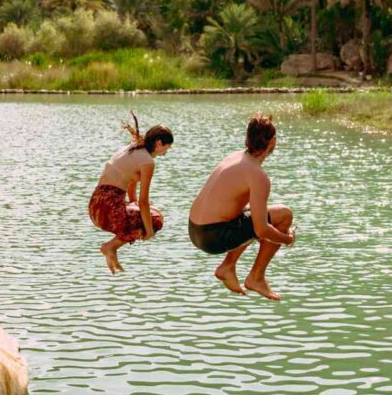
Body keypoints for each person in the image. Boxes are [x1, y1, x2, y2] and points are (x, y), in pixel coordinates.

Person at [188, 113, 294, 301]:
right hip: (212, 237)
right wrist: (286, 239)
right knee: (284, 216)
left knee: (259, 216)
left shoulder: (235, 156)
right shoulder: (258, 176)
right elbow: (261, 229)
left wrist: (263, 232)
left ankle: (228, 267)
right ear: (272, 142)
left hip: (194, 229)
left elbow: (238, 206)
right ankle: (256, 277)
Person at [89, 113, 173, 274]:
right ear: (159, 143)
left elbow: (132, 186)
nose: (165, 153)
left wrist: (132, 202)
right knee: (156, 219)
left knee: (145, 213)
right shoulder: (148, 162)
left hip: (96, 207)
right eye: (166, 148)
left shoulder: (132, 148)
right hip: (108, 209)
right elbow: (143, 202)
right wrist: (149, 231)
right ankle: (110, 246)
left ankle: (111, 248)